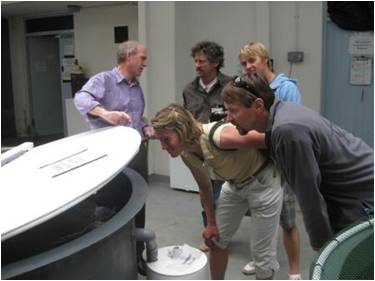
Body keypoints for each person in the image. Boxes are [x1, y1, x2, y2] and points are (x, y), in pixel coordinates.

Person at [221, 72, 374, 252]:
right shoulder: (283, 111)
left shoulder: (287, 131)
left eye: (233, 111)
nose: (228, 118)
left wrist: (322, 247)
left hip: (362, 196)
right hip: (351, 188)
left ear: (258, 106)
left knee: (355, 262)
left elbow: (309, 196)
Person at [151, 104, 283, 280]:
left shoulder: (220, 136)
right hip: (235, 184)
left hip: (263, 182)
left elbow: (270, 139)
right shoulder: (187, 153)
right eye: (160, 140)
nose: (163, 146)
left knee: (262, 256)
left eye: (166, 139)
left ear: (182, 131)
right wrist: (211, 224)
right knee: (215, 241)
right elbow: (205, 188)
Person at [74, 40, 154, 274]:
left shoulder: (136, 86)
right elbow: (81, 98)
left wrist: (146, 126)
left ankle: (136, 255)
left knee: (138, 203)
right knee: (109, 204)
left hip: (137, 152)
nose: (145, 64)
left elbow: (137, 116)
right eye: (142, 58)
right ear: (129, 56)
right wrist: (105, 113)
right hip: (110, 156)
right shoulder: (103, 80)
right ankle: (107, 260)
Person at [238, 41, 302, 279]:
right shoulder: (248, 88)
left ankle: (294, 272)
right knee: (261, 217)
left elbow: (292, 128)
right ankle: (262, 259)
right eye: (244, 63)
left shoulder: (286, 88)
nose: (248, 66)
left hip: (281, 163)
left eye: (252, 61)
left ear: (266, 60)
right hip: (256, 163)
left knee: (287, 220)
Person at [182, 41, 232, 252]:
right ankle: (212, 235)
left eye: (201, 61)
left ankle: (220, 233)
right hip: (197, 151)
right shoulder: (189, 89)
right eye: (195, 61)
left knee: (221, 196)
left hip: (223, 149)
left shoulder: (231, 85)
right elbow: (185, 118)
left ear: (215, 63)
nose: (197, 65)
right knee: (206, 194)